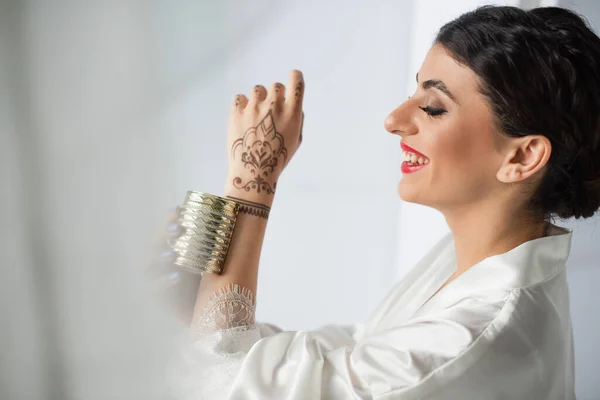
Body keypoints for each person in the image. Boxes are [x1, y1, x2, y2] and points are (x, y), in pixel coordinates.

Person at [155, 5, 600, 399]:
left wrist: (251, 184)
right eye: (413, 93)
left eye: (433, 106)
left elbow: (217, 385)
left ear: (522, 156)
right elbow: (345, 357)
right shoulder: (464, 264)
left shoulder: (472, 340)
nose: (394, 120)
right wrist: (192, 305)